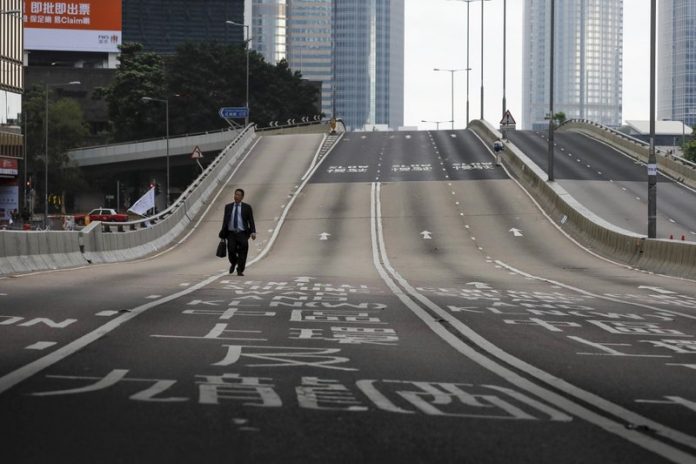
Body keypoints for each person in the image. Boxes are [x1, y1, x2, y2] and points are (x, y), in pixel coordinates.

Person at [219, 188, 256, 276]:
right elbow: (225, 221)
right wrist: (223, 234)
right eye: (235, 194)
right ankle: (234, 262)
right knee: (231, 250)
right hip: (231, 233)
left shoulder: (247, 207)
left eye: (238, 195)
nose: (236, 196)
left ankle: (240, 270)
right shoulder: (228, 207)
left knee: (243, 251)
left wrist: (253, 232)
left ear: (242, 197)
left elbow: (251, 220)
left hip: (242, 233)